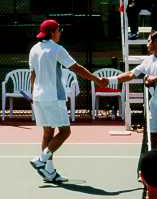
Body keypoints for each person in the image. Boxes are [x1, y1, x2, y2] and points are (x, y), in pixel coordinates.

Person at [29, 19, 108, 182]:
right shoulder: (57, 49)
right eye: (59, 30)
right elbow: (76, 68)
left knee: (48, 133)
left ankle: (49, 172)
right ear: (52, 32)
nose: (60, 32)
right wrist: (97, 79)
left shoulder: (34, 49)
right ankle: (42, 159)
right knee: (65, 131)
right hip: (53, 97)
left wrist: (33, 95)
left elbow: (33, 75)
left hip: (38, 97)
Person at [107, 31, 157, 178]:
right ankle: (156, 166)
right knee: (152, 136)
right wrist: (109, 80)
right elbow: (132, 74)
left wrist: (154, 78)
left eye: (149, 41)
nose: (147, 44)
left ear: (156, 42)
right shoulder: (149, 59)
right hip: (155, 101)